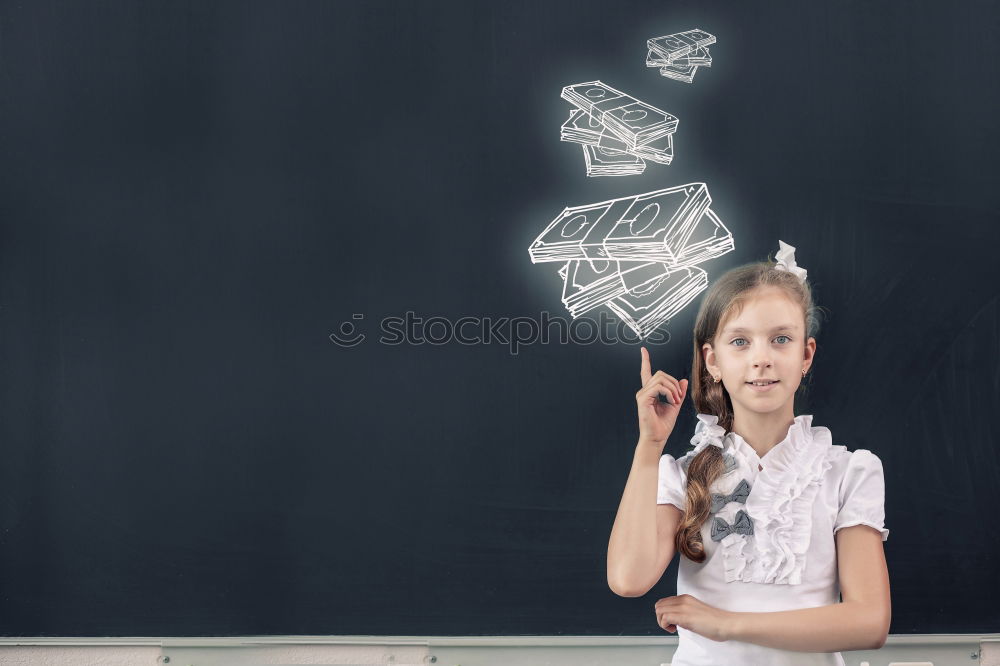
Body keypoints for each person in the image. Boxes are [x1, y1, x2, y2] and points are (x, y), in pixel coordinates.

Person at [607, 240, 891, 666]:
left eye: (780, 339)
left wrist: (727, 624)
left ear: (806, 355)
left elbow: (869, 622)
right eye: (740, 342)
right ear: (713, 360)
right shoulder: (682, 474)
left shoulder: (848, 471)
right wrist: (649, 447)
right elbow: (629, 579)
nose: (762, 359)